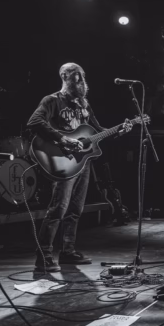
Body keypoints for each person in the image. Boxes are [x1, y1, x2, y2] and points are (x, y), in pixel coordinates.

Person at [27, 63, 133, 272]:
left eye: (83, 76)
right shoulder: (52, 101)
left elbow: (98, 131)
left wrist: (120, 130)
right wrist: (63, 139)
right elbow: (34, 121)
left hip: (82, 162)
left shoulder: (84, 105)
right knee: (59, 207)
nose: (82, 80)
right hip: (63, 160)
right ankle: (44, 255)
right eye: (77, 76)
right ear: (65, 76)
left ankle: (68, 252)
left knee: (75, 209)